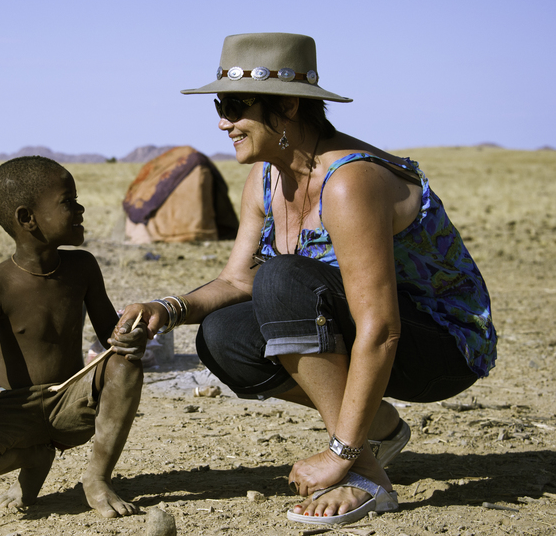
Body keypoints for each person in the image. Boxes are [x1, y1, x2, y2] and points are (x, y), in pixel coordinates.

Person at [111, 33, 497, 526]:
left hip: (441, 345)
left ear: (288, 106)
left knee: (282, 280)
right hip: (368, 331)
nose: (223, 120)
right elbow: (236, 280)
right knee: (223, 336)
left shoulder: (349, 182)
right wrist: (169, 308)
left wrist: (338, 453)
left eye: (234, 105)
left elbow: (382, 327)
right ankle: (377, 430)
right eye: (219, 103)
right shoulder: (267, 178)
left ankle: (363, 474)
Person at [0, 156, 146, 518]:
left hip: (71, 398)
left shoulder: (83, 267)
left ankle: (97, 478)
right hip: (17, 406)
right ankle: (33, 458)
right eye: (68, 201)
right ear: (27, 218)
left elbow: (110, 340)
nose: (80, 207)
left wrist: (131, 337)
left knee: (126, 366)